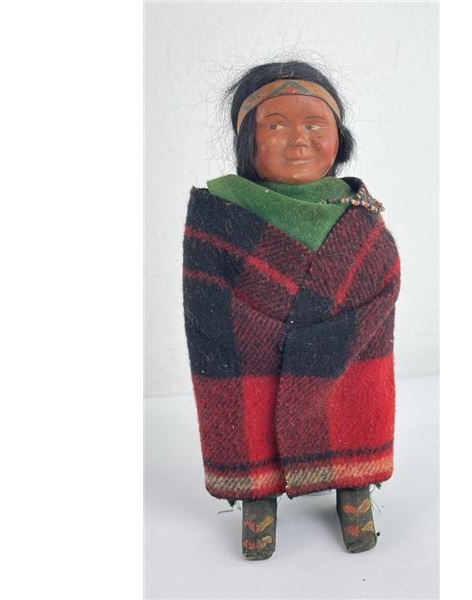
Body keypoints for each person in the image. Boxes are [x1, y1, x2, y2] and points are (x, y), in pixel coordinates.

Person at [182, 61, 401, 560]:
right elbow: (207, 307)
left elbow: (382, 282)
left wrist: (320, 343)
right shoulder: (220, 214)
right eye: (276, 125)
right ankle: (258, 496)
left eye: (315, 124)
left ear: (339, 137)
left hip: (349, 361)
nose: (298, 140)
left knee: (356, 405)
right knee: (248, 424)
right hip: (247, 366)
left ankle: (354, 486)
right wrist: (286, 339)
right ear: (247, 141)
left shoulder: (359, 213)